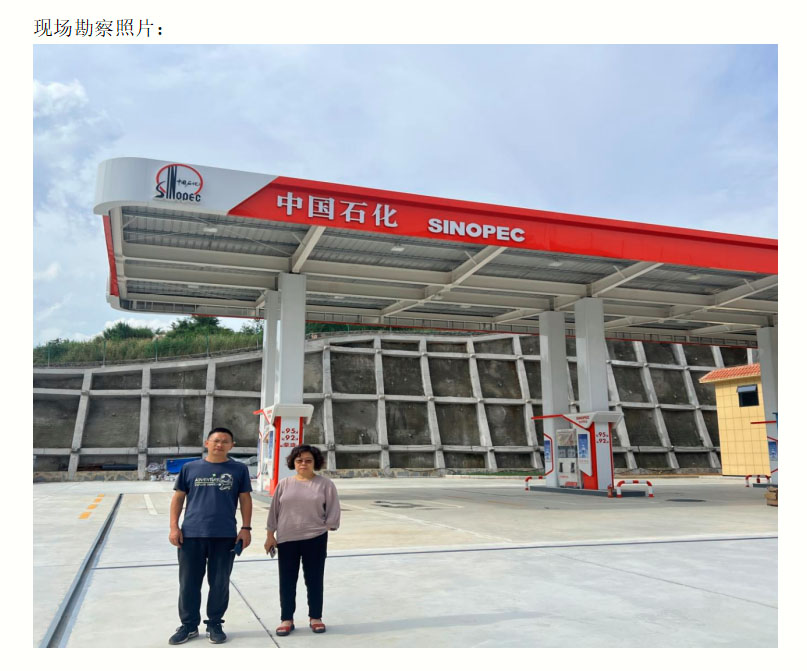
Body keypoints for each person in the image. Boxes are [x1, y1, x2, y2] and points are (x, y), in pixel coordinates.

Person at [167, 427, 253, 645]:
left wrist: (246, 528)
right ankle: (188, 625)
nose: (219, 445)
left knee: (219, 582)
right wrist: (174, 527)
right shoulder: (190, 468)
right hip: (191, 535)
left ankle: (214, 623)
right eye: (216, 441)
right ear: (207, 443)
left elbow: (245, 499)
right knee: (188, 583)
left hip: (224, 535)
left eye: (225, 441)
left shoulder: (239, 469)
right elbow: (178, 498)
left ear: (232, 445)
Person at [264, 444, 340, 636]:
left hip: (315, 538)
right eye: (299, 461)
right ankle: (286, 619)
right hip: (286, 538)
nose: (303, 464)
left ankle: (315, 617)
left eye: (308, 460)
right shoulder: (284, 484)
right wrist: (270, 535)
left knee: (314, 579)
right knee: (287, 580)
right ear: (293, 463)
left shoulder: (325, 484)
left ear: (315, 462)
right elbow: (274, 511)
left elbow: (333, 509)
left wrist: (327, 526)